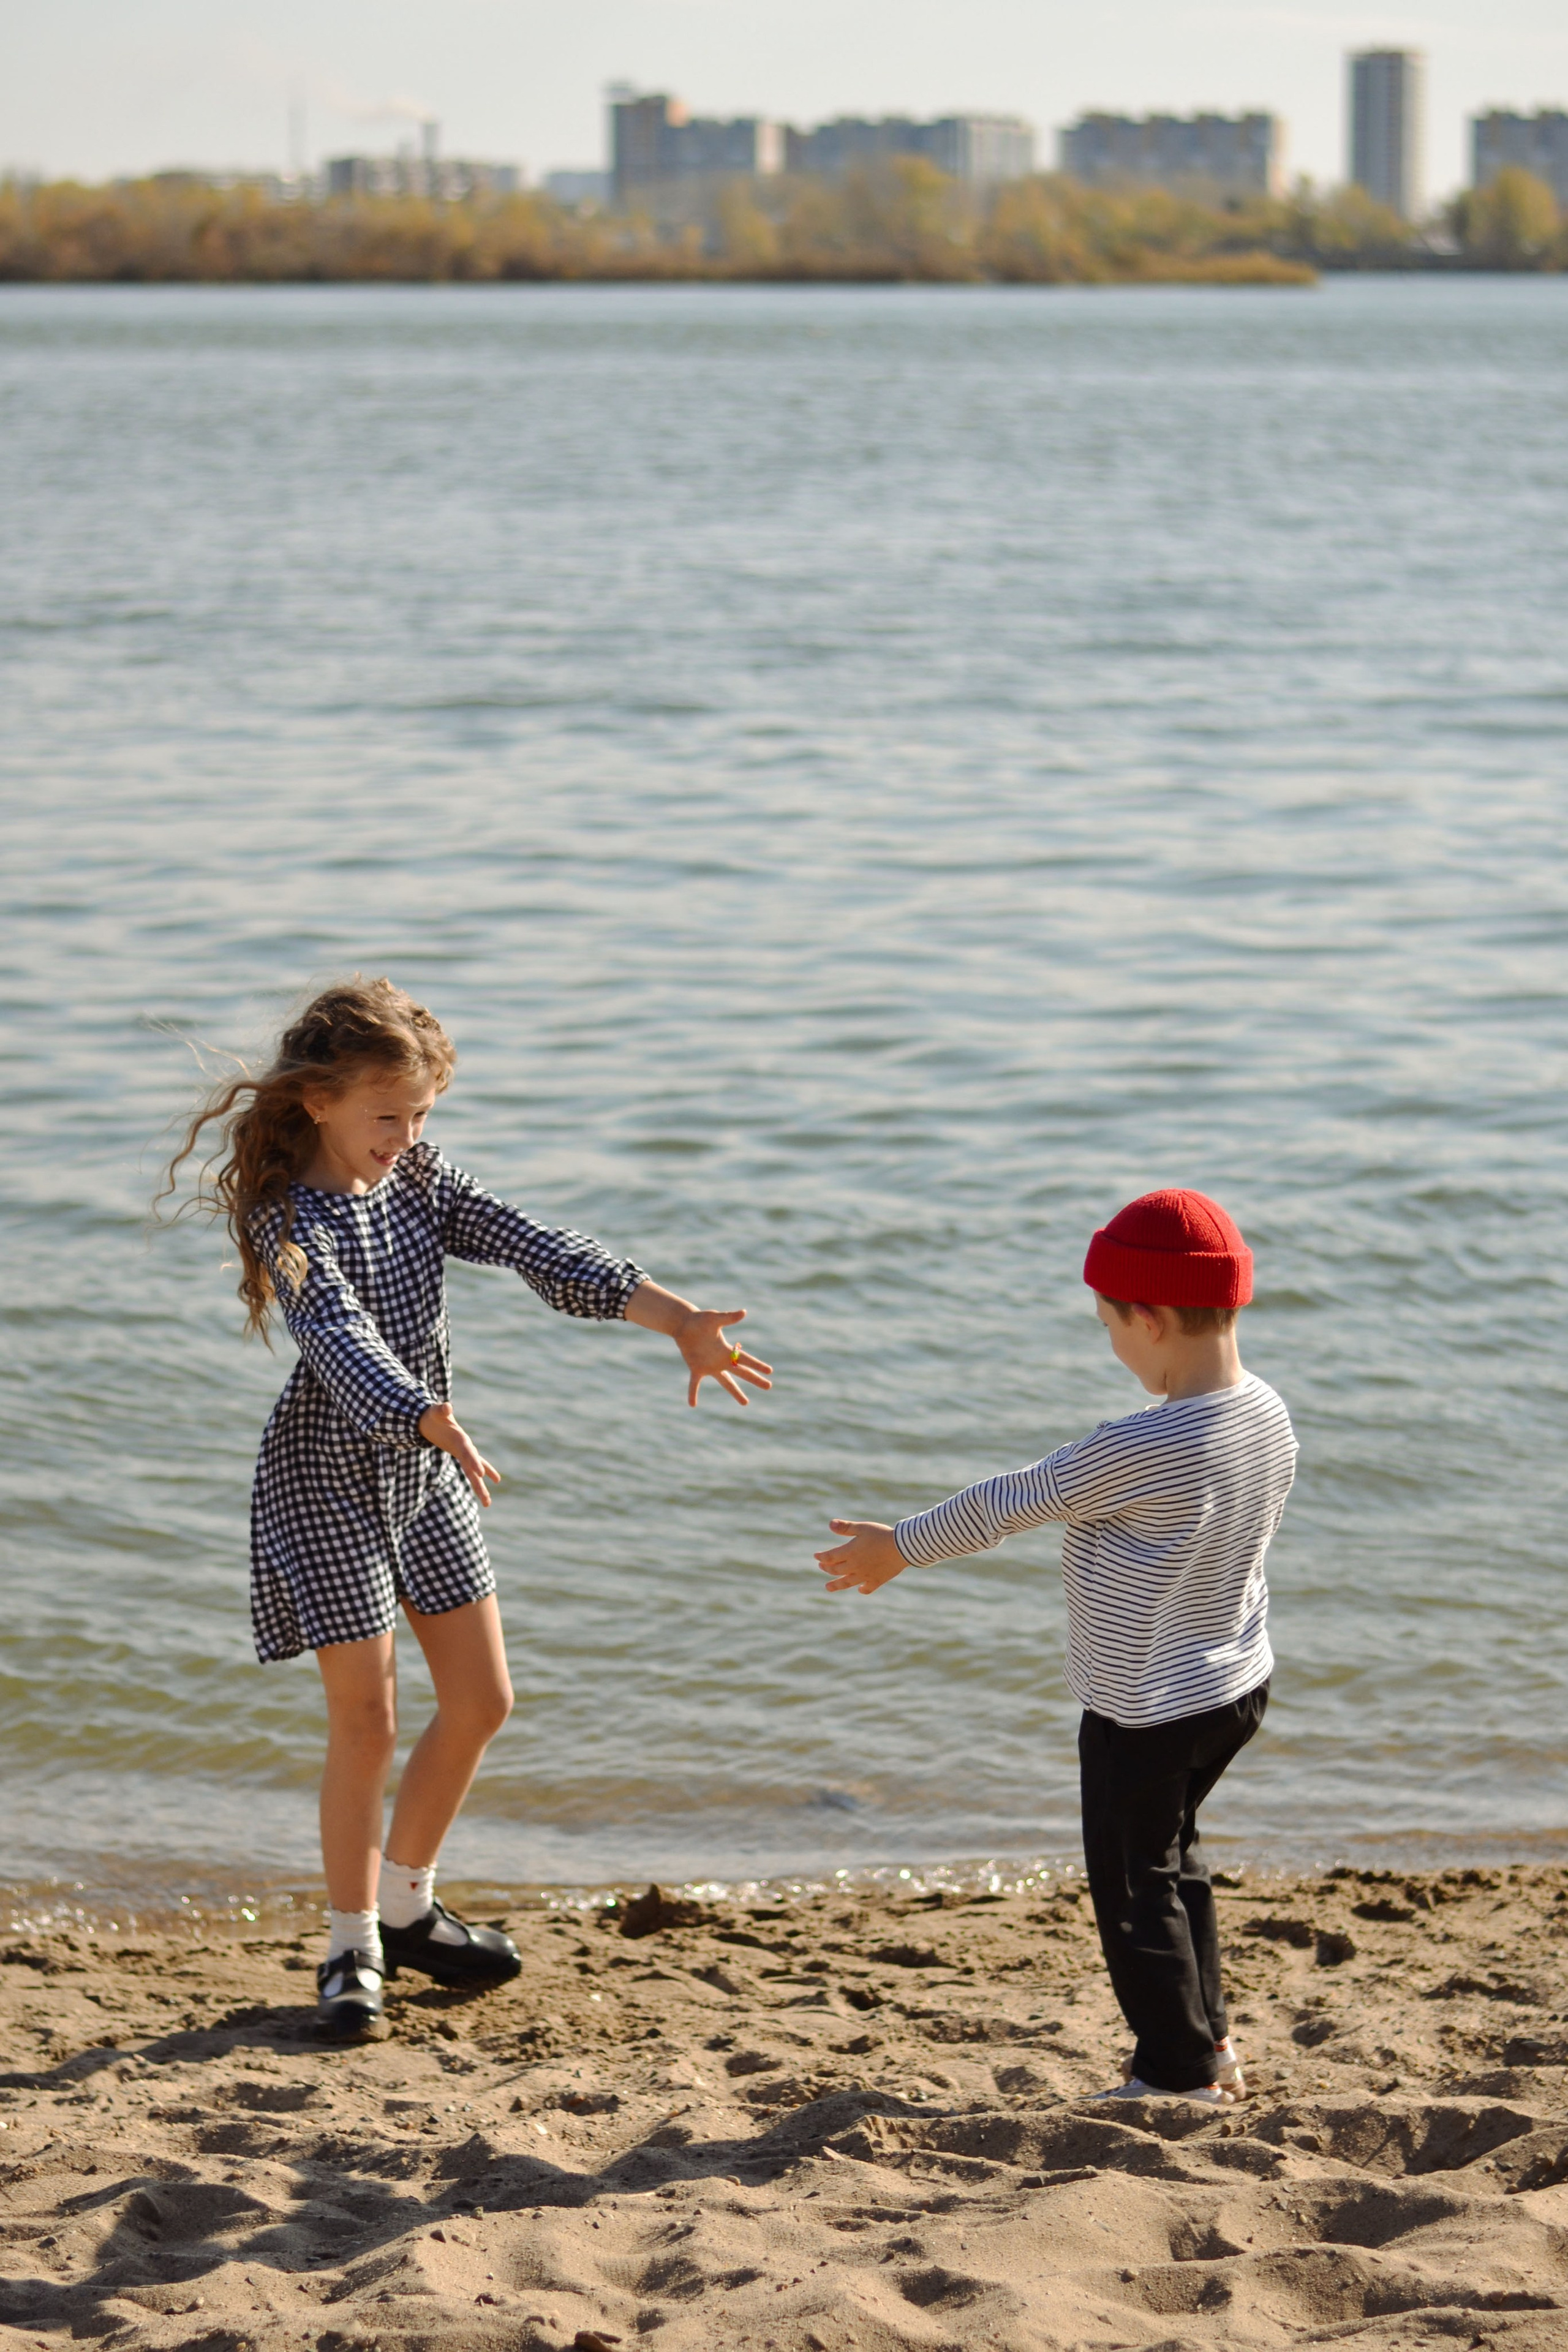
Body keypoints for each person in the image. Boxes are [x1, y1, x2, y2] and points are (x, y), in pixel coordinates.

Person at [162, 976, 771, 2041]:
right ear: (318, 1102)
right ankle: (351, 1946)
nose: (405, 1136)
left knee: (483, 1700)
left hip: (430, 1469)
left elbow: (539, 1247)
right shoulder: (285, 1218)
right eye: (386, 1116)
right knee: (368, 1718)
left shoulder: (422, 1181)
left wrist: (674, 1317)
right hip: (330, 1477)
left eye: (421, 1116)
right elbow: (337, 1333)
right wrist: (423, 1413)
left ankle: (409, 1909)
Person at [815, 1188, 1294, 2106]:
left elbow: (1009, 1501)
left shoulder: (1141, 1443)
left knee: (1131, 1888)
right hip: (1232, 1684)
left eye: (1110, 1324)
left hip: (1142, 1708)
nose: (1111, 1343)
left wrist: (897, 1548)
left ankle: (1176, 2073)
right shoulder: (1266, 1412)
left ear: (1149, 1322)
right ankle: (1212, 2041)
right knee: (1177, 1860)